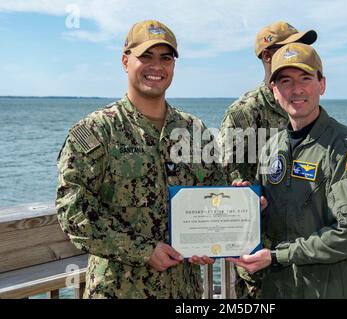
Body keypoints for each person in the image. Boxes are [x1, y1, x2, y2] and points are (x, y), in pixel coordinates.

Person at [56, 20, 225, 299]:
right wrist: (143, 251)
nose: (156, 66)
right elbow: (72, 212)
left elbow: (214, 192)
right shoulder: (97, 131)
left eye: (165, 58)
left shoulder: (194, 130)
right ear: (125, 61)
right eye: (145, 56)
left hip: (184, 292)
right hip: (119, 291)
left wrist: (216, 236)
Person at [227, 43, 347, 298]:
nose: (296, 89)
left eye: (305, 78)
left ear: (322, 84)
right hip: (277, 289)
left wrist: (277, 256)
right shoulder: (272, 147)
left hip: (325, 290)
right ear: (274, 91)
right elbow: (274, 216)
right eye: (285, 81)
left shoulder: (346, 148)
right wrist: (251, 206)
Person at [218, 21, 317, 299]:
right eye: (291, 47)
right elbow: (228, 178)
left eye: (302, 47)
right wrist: (245, 193)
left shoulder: (304, 103)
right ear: (267, 56)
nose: (300, 52)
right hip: (263, 250)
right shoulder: (244, 113)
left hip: (305, 245)